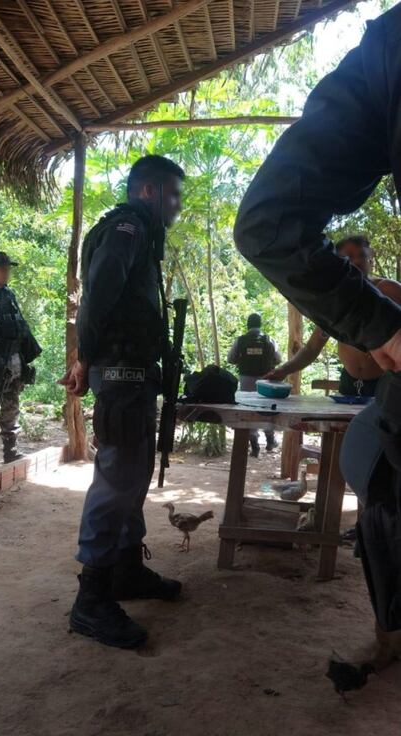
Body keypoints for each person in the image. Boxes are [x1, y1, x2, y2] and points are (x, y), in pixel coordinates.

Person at [234, 1, 401, 667]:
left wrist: (369, 331)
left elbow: (358, 360)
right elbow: (329, 354)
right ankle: (390, 629)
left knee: (371, 460)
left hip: (364, 392)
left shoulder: (381, 295)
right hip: (351, 389)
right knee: (373, 467)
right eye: (348, 264)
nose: (352, 269)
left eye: (356, 265)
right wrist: (285, 373)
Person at [60, 155, 185, 650]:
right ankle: (90, 600)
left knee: (132, 477)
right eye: (172, 194)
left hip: (136, 378)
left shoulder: (142, 235)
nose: (176, 204)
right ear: (149, 191)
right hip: (122, 376)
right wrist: (85, 359)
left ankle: (126, 571)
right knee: (116, 481)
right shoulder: (128, 229)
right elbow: (97, 299)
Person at [266, 236, 401, 397]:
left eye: (362, 255)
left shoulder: (389, 289)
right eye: (348, 257)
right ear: (338, 265)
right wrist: (283, 370)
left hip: (386, 383)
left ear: (370, 259)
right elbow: (312, 348)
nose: (357, 261)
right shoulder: (336, 299)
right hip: (349, 385)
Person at [0, 251, 41, 466]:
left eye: (8, 269)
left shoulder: (9, 295)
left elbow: (21, 326)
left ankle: (11, 451)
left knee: (11, 404)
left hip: (12, 360)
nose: (7, 273)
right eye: (3, 269)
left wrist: (26, 356)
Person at [227, 312, 281, 454]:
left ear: (248, 325)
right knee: (267, 408)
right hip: (266, 380)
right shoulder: (270, 340)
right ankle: (270, 440)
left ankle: (255, 446)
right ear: (260, 324)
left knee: (249, 409)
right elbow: (278, 359)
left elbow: (230, 359)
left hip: (246, 380)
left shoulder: (240, 340)